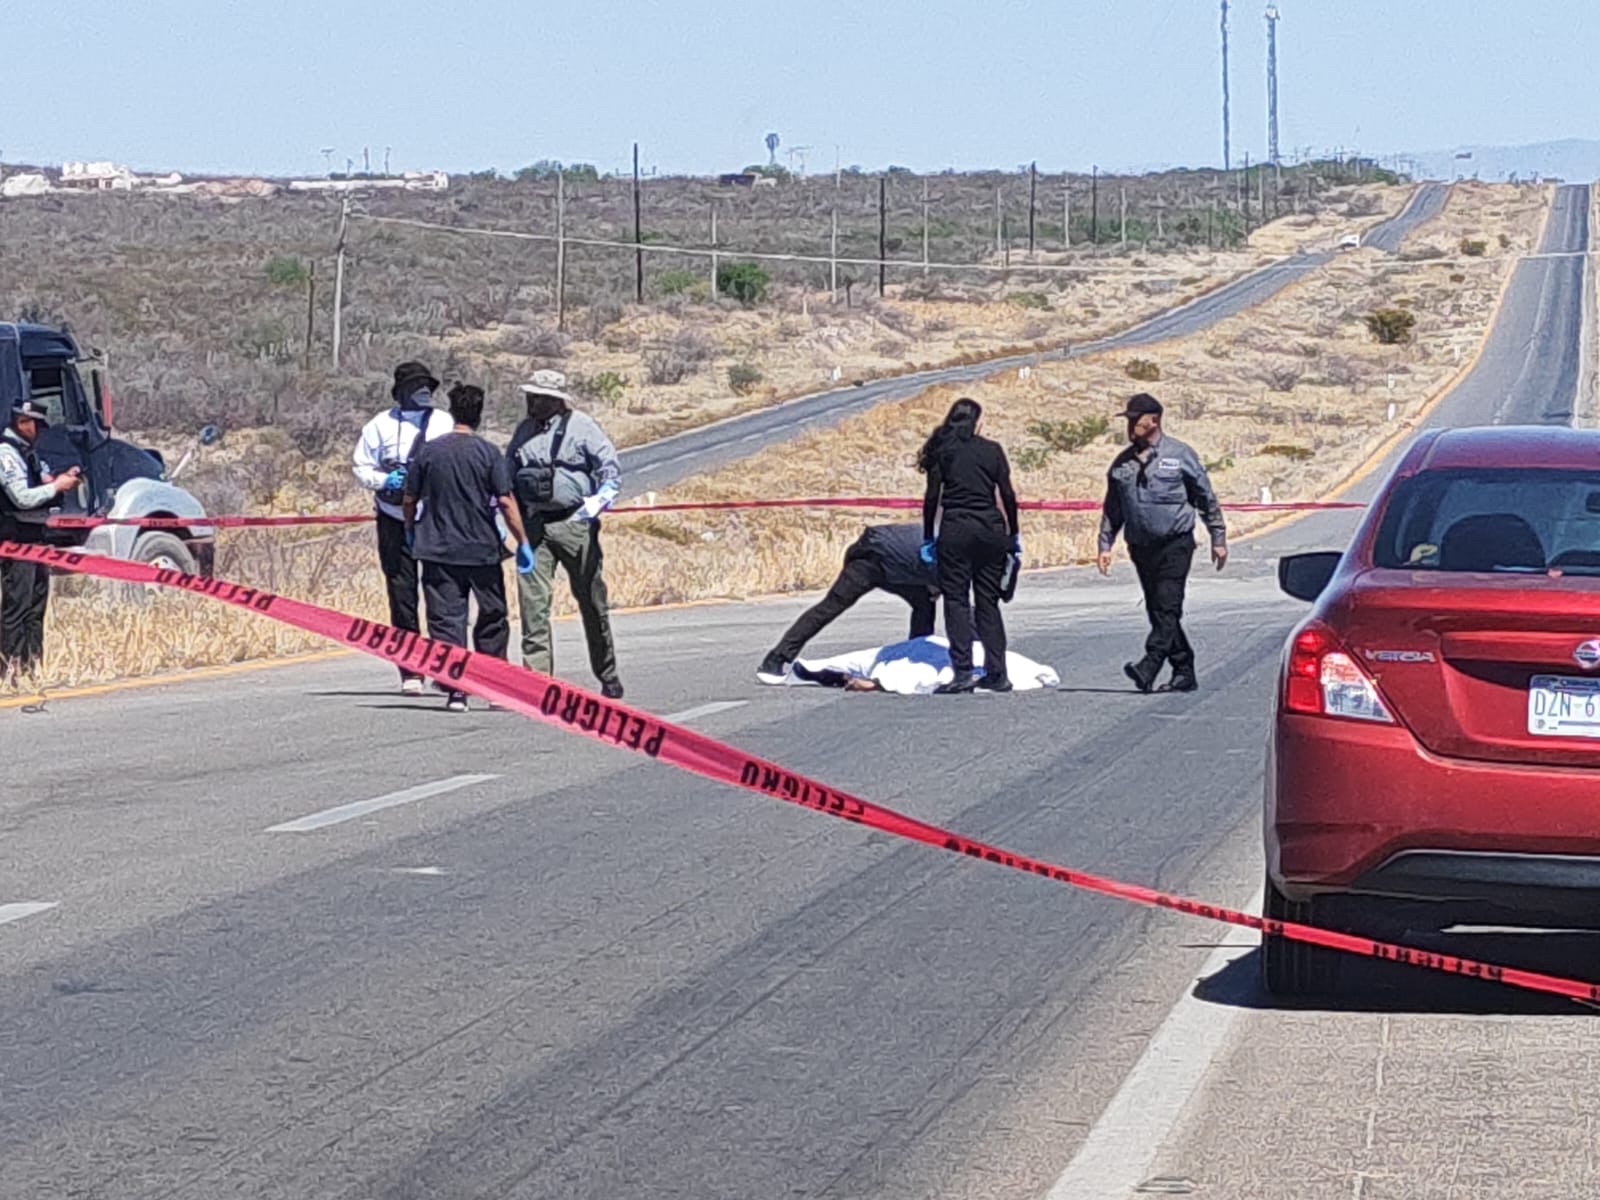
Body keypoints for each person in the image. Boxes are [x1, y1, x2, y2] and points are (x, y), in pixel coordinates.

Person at [402, 383, 531, 713]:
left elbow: (409, 498)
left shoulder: (429, 452)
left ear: (452, 412)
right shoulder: (488, 453)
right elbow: (505, 501)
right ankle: (495, 686)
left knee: (446, 620)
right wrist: (522, 542)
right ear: (479, 414)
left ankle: (456, 690)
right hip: (481, 549)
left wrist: (411, 529)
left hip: (437, 549)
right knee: (492, 617)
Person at [505, 370, 625, 700]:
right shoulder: (524, 431)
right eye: (530, 396)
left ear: (556, 401)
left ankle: (607, 672)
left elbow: (610, 470)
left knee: (591, 601)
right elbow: (507, 475)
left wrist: (598, 503)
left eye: (539, 398)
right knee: (533, 606)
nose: (532, 403)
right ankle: (537, 682)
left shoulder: (583, 427)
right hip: (534, 526)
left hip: (574, 523)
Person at [1097, 393, 1227, 694]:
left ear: (1153, 420)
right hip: (1141, 546)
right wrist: (1105, 545)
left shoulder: (1180, 455)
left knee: (1168, 606)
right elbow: (1113, 508)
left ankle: (1149, 665)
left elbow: (1205, 497)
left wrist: (1217, 537)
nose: (1130, 426)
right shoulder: (1122, 464)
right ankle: (1184, 670)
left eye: (1135, 419)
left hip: (1175, 544)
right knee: (1158, 610)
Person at [353, 361, 453, 695]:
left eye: (427, 386)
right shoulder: (379, 425)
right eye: (416, 386)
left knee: (442, 594)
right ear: (401, 392)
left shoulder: (444, 422)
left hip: (434, 518)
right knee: (402, 596)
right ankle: (411, 671)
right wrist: (385, 481)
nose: (423, 392)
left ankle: (446, 669)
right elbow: (361, 467)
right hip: (393, 518)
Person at [919, 397, 1020, 694]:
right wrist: (1013, 533)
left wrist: (928, 536)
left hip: (956, 530)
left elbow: (932, 498)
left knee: (957, 601)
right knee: (988, 602)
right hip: (991, 530)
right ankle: (997, 672)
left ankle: (962, 670)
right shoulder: (992, 450)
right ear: (977, 422)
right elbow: (1008, 494)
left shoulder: (943, 450)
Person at [756, 523, 938, 683]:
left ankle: (916, 657)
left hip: (900, 567)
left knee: (924, 603)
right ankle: (776, 658)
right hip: (870, 559)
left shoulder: (947, 539)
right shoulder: (949, 550)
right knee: (831, 606)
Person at [0, 399, 81, 683]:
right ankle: (10, 673)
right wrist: (56, 486)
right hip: (16, 541)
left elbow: (38, 486)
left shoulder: (27, 453)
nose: (40, 431)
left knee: (35, 609)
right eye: (36, 425)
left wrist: (58, 482)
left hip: (35, 539)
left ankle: (32, 669)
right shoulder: (6, 453)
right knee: (16, 609)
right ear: (23, 423)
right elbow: (21, 498)